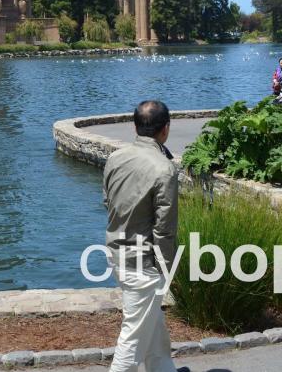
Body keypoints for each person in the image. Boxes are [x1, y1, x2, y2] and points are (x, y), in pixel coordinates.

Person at [103, 100, 187, 372]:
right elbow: (164, 230)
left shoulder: (115, 158)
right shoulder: (165, 169)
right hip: (144, 264)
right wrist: (170, 271)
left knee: (154, 332)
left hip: (118, 255)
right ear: (166, 129)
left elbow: (108, 202)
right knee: (132, 338)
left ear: (135, 127)